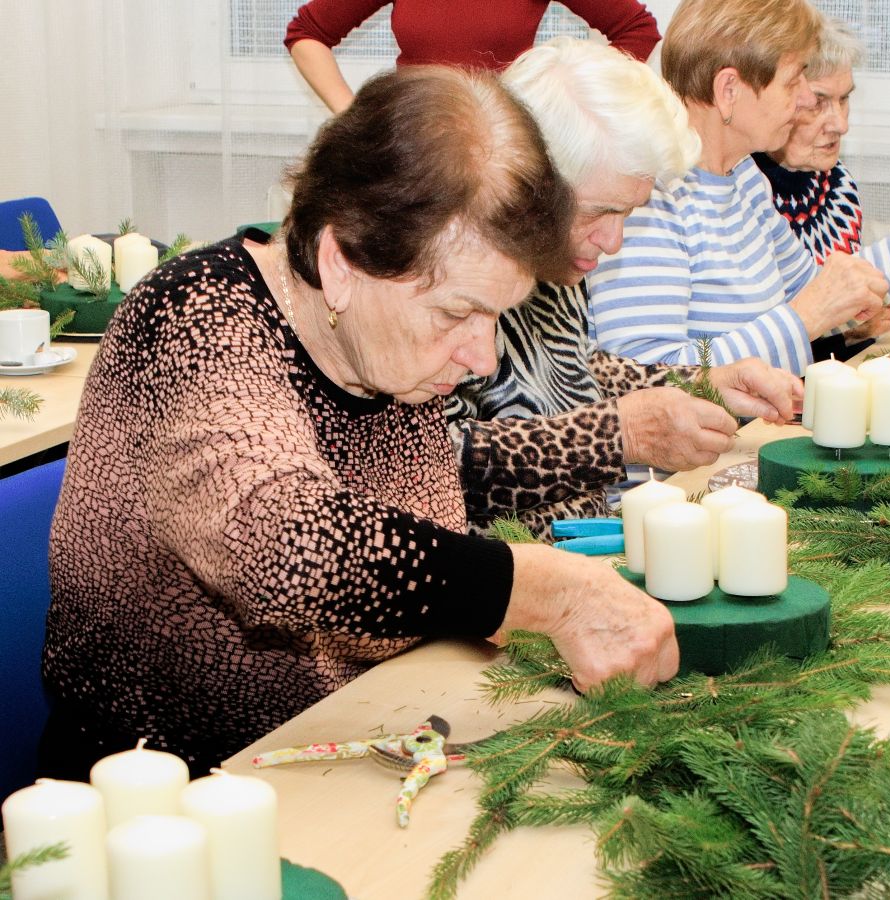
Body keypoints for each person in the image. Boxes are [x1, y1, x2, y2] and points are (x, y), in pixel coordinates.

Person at [40, 66, 678, 778]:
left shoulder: (392, 341)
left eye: (497, 315)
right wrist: (540, 589)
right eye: (459, 312)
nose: (484, 356)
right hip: (175, 795)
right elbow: (286, 548)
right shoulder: (197, 317)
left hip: (364, 744)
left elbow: (415, 561)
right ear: (339, 260)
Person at [447, 38, 803, 538]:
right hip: (501, 582)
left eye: (627, 214)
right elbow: (439, 459)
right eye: (599, 212)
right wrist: (618, 435)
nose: (612, 242)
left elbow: (577, 368)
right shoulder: (445, 273)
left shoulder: (552, 259)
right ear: (529, 180)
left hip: (580, 552)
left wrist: (697, 382)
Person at [587, 0, 890, 376]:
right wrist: (803, 319)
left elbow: (819, 287)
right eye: (793, 80)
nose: (804, 100)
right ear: (729, 90)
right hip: (683, 478)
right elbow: (650, 380)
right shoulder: (648, 197)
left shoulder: (742, 177)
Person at [753, 15, 890, 361]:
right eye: (819, 102)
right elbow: (760, 346)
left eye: (844, 99)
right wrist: (844, 337)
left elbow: (849, 294)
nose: (841, 124)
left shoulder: (836, 181)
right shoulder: (747, 190)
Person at [285, 0, 661, 114]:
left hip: (502, 160)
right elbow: (307, 34)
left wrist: (567, 107)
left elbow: (637, 30)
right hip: (412, 154)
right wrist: (353, 116)